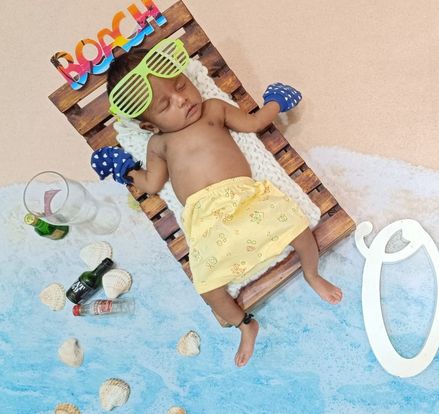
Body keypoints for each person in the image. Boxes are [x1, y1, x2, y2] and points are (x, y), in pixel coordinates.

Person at [91, 42, 342, 368]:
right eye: (166, 104)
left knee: (296, 227)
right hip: (205, 221)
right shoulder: (159, 143)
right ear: (150, 126)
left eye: (181, 85)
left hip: (244, 196)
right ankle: (245, 324)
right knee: (208, 288)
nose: (182, 99)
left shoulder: (213, 109)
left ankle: (312, 273)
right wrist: (127, 171)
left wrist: (274, 103)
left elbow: (252, 124)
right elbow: (153, 185)